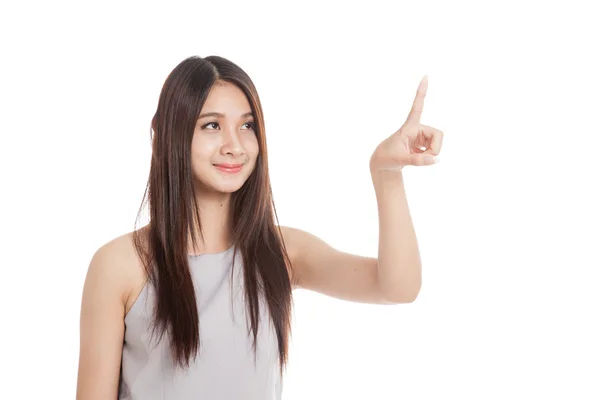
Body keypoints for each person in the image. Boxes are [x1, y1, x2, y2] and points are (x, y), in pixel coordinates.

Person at [75, 55, 443, 400]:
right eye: (212, 125)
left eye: (247, 125)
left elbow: (397, 287)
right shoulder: (120, 265)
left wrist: (387, 174)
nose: (234, 146)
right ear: (166, 132)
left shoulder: (281, 252)